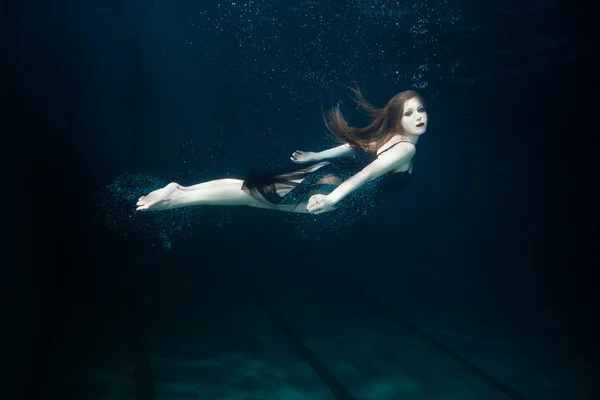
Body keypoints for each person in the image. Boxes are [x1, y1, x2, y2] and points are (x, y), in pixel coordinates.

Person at [135, 88, 427, 216]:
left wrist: (315, 157)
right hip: (331, 188)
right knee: (250, 197)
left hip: (327, 176)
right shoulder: (404, 150)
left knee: (251, 195)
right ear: (397, 119)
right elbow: (368, 171)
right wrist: (330, 199)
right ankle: (177, 196)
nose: (418, 117)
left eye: (421, 110)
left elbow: (355, 148)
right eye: (409, 112)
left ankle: (180, 194)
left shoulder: (391, 138)